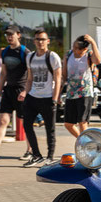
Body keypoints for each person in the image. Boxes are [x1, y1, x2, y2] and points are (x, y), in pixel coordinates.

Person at [0, 25, 31, 160]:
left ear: (18, 35)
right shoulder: (5, 52)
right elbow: (3, 73)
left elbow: (31, 74)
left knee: (25, 122)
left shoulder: (25, 52)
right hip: (8, 90)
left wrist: (26, 91)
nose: (9, 37)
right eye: (7, 35)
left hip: (21, 90)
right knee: (3, 120)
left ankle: (30, 150)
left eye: (12, 34)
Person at [18, 28, 62, 167]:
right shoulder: (30, 57)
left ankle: (50, 157)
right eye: (37, 39)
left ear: (48, 41)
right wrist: (25, 92)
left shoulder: (52, 57)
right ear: (34, 41)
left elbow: (58, 78)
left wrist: (55, 98)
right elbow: (29, 78)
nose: (40, 42)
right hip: (32, 96)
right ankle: (36, 155)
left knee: (50, 129)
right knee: (27, 125)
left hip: (48, 97)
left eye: (43, 39)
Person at [63, 34, 101, 138]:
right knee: (68, 124)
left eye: (77, 48)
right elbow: (64, 74)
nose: (74, 50)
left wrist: (93, 42)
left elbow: (98, 61)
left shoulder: (88, 55)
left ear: (84, 49)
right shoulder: (68, 55)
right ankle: (84, 142)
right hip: (71, 93)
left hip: (85, 92)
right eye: (73, 47)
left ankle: (85, 144)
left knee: (82, 122)